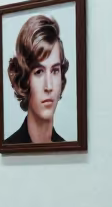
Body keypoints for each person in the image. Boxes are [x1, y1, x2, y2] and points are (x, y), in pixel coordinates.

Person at [5, 14, 68, 144]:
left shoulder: (69, 150)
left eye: (55, 71)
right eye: (39, 72)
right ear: (24, 78)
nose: (49, 86)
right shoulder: (10, 146)